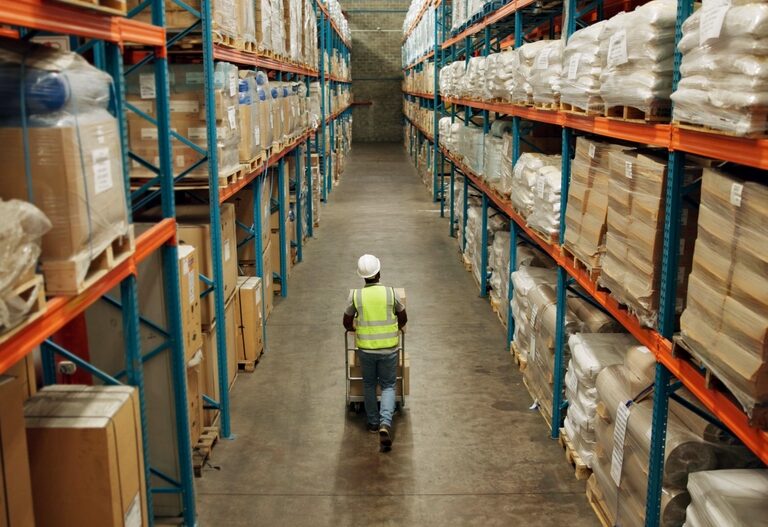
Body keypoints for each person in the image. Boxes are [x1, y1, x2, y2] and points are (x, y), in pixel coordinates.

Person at [343, 254, 407, 449]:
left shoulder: (356, 295)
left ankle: (372, 423)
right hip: (389, 348)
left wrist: (358, 329)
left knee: (369, 384)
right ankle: (385, 423)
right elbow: (403, 318)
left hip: (366, 350)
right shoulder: (390, 293)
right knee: (388, 385)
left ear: (362, 276)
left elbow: (346, 322)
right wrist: (393, 330)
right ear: (379, 272)